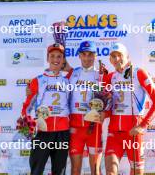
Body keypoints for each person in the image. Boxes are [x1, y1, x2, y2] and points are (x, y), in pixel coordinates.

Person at [104, 43, 155, 175]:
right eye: (113, 56)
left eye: (120, 55)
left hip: (133, 133)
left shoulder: (138, 73)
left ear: (127, 57)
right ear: (110, 60)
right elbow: (109, 108)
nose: (117, 59)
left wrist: (143, 125)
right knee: (110, 171)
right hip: (114, 133)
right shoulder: (110, 77)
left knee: (136, 172)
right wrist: (102, 114)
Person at [20, 43, 70, 175]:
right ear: (47, 59)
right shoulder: (38, 80)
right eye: (52, 56)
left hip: (62, 132)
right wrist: (29, 124)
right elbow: (27, 106)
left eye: (59, 56)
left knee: (59, 171)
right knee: (37, 170)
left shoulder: (68, 81)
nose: (55, 59)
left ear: (63, 60)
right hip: (42, 131)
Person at [65, 41, 106, 175]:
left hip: (94, 128)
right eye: (84, 54)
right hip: (75, 128)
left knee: (95, 170)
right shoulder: (72, 74)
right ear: (79, 56)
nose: (87, 58)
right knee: (75, 169)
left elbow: (110, 98)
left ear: (95, 56)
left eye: (90, 54)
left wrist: (104, 112)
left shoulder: (101, 75)